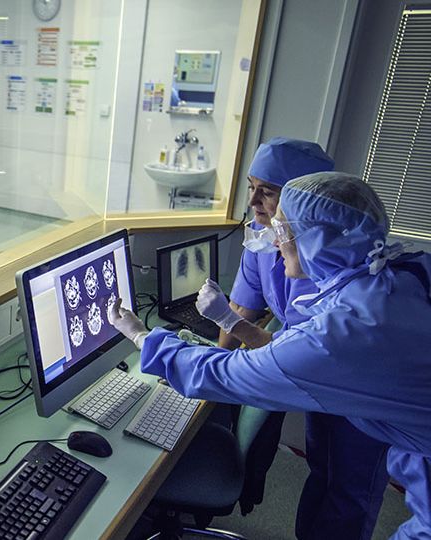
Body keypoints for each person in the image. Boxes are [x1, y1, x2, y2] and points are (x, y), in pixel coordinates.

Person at [110, 172, 431, 539]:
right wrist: (231, 321)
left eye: (282, 229)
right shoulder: (399, 275)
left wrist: (142, 336)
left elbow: (229, 374)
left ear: (317, 241)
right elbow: (291, 349)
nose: (275, 239)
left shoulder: (346, 332)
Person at [196, 138, 390, 539]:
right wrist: (212, 365)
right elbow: (244, 306)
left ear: (299, 200)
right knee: (323, 465)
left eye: (267, 191)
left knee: (350, 484)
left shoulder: (328, 253)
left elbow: (297, 353)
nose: (253, 202)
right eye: (251, 187)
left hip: (358, 376)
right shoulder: (261, 234)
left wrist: (209, 354)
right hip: (306, 358)